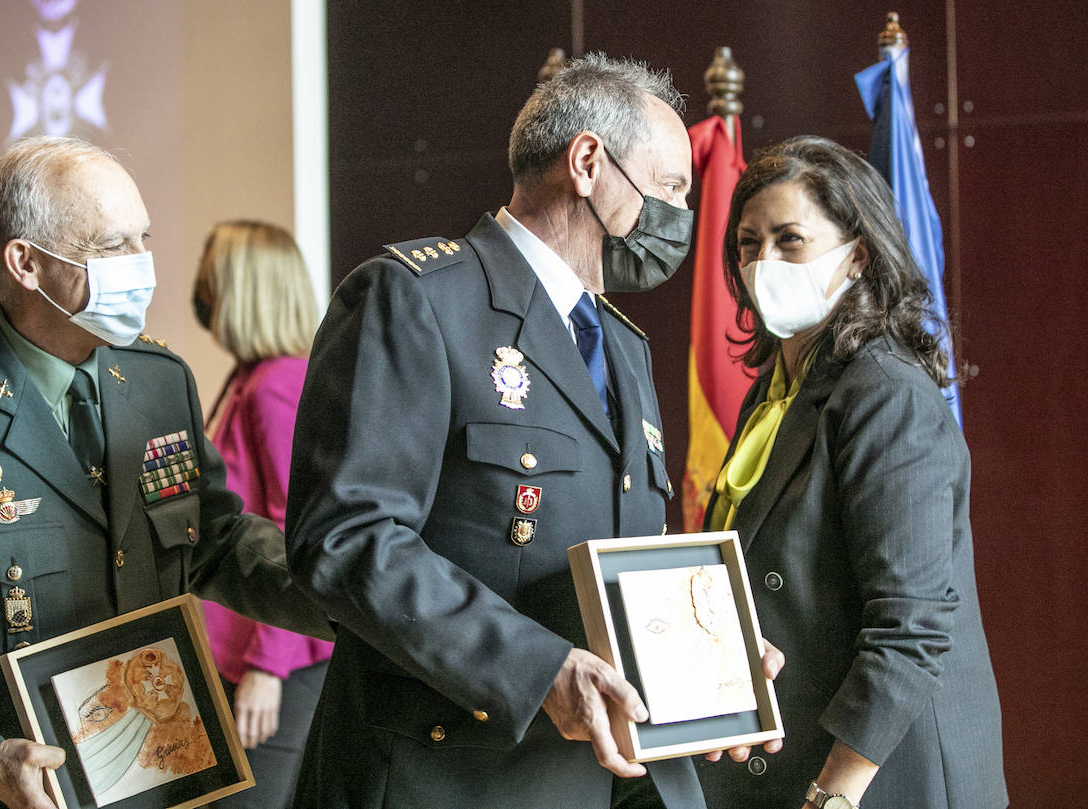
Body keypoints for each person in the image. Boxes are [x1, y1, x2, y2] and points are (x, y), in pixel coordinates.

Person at [284, 53, 783, 809]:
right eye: (673, 186)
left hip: (605, 775)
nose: (682, 216)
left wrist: (714, 653)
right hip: (453, 778)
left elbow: (621, 560)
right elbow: (348, 537)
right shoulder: (416, 299)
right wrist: (538, 669)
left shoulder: (621, 343)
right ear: (588, 161)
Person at [0, 136, 332, 809]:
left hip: (154, 772)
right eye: (112, 245)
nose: (143, 265)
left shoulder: (159, 382)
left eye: (145, 238)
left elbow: (213, 539)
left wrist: (352, 594)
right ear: (26, 263)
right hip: (6, 789)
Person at [694, 136, 1007, 809]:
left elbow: (912, 626)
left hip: (880, 774)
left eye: (790, 240)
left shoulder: (885, 390)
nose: (762, 262)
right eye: (748, 243)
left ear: (858, 254)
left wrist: (832, 797)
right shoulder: (777, 386)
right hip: (788, 751)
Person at [190, 220, 334, 809]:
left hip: (279, 658)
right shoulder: (252, 378)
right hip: (243, 649)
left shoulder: (279, 384)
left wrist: (266, 669)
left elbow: (292, 533)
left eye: (212, 278)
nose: (201, 293)